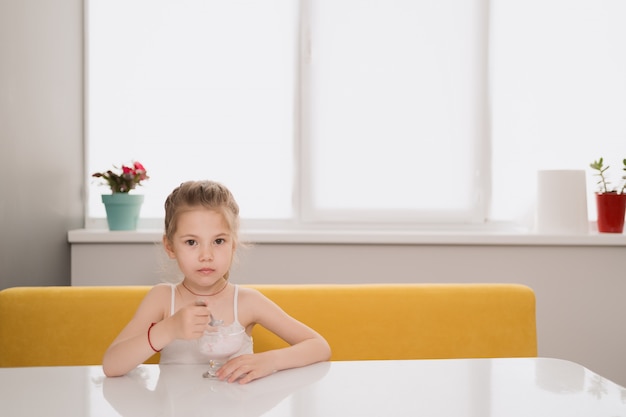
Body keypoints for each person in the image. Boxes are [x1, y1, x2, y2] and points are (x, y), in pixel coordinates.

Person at [102, 180, 331, 383]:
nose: (206, 255)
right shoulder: (162, 298)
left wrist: (270, 361)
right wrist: (168, 328)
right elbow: (112, 365)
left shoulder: (247, 302)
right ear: (170, 247)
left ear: (233, 244)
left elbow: (319, 346)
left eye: (218, 241)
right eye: (192, 242)